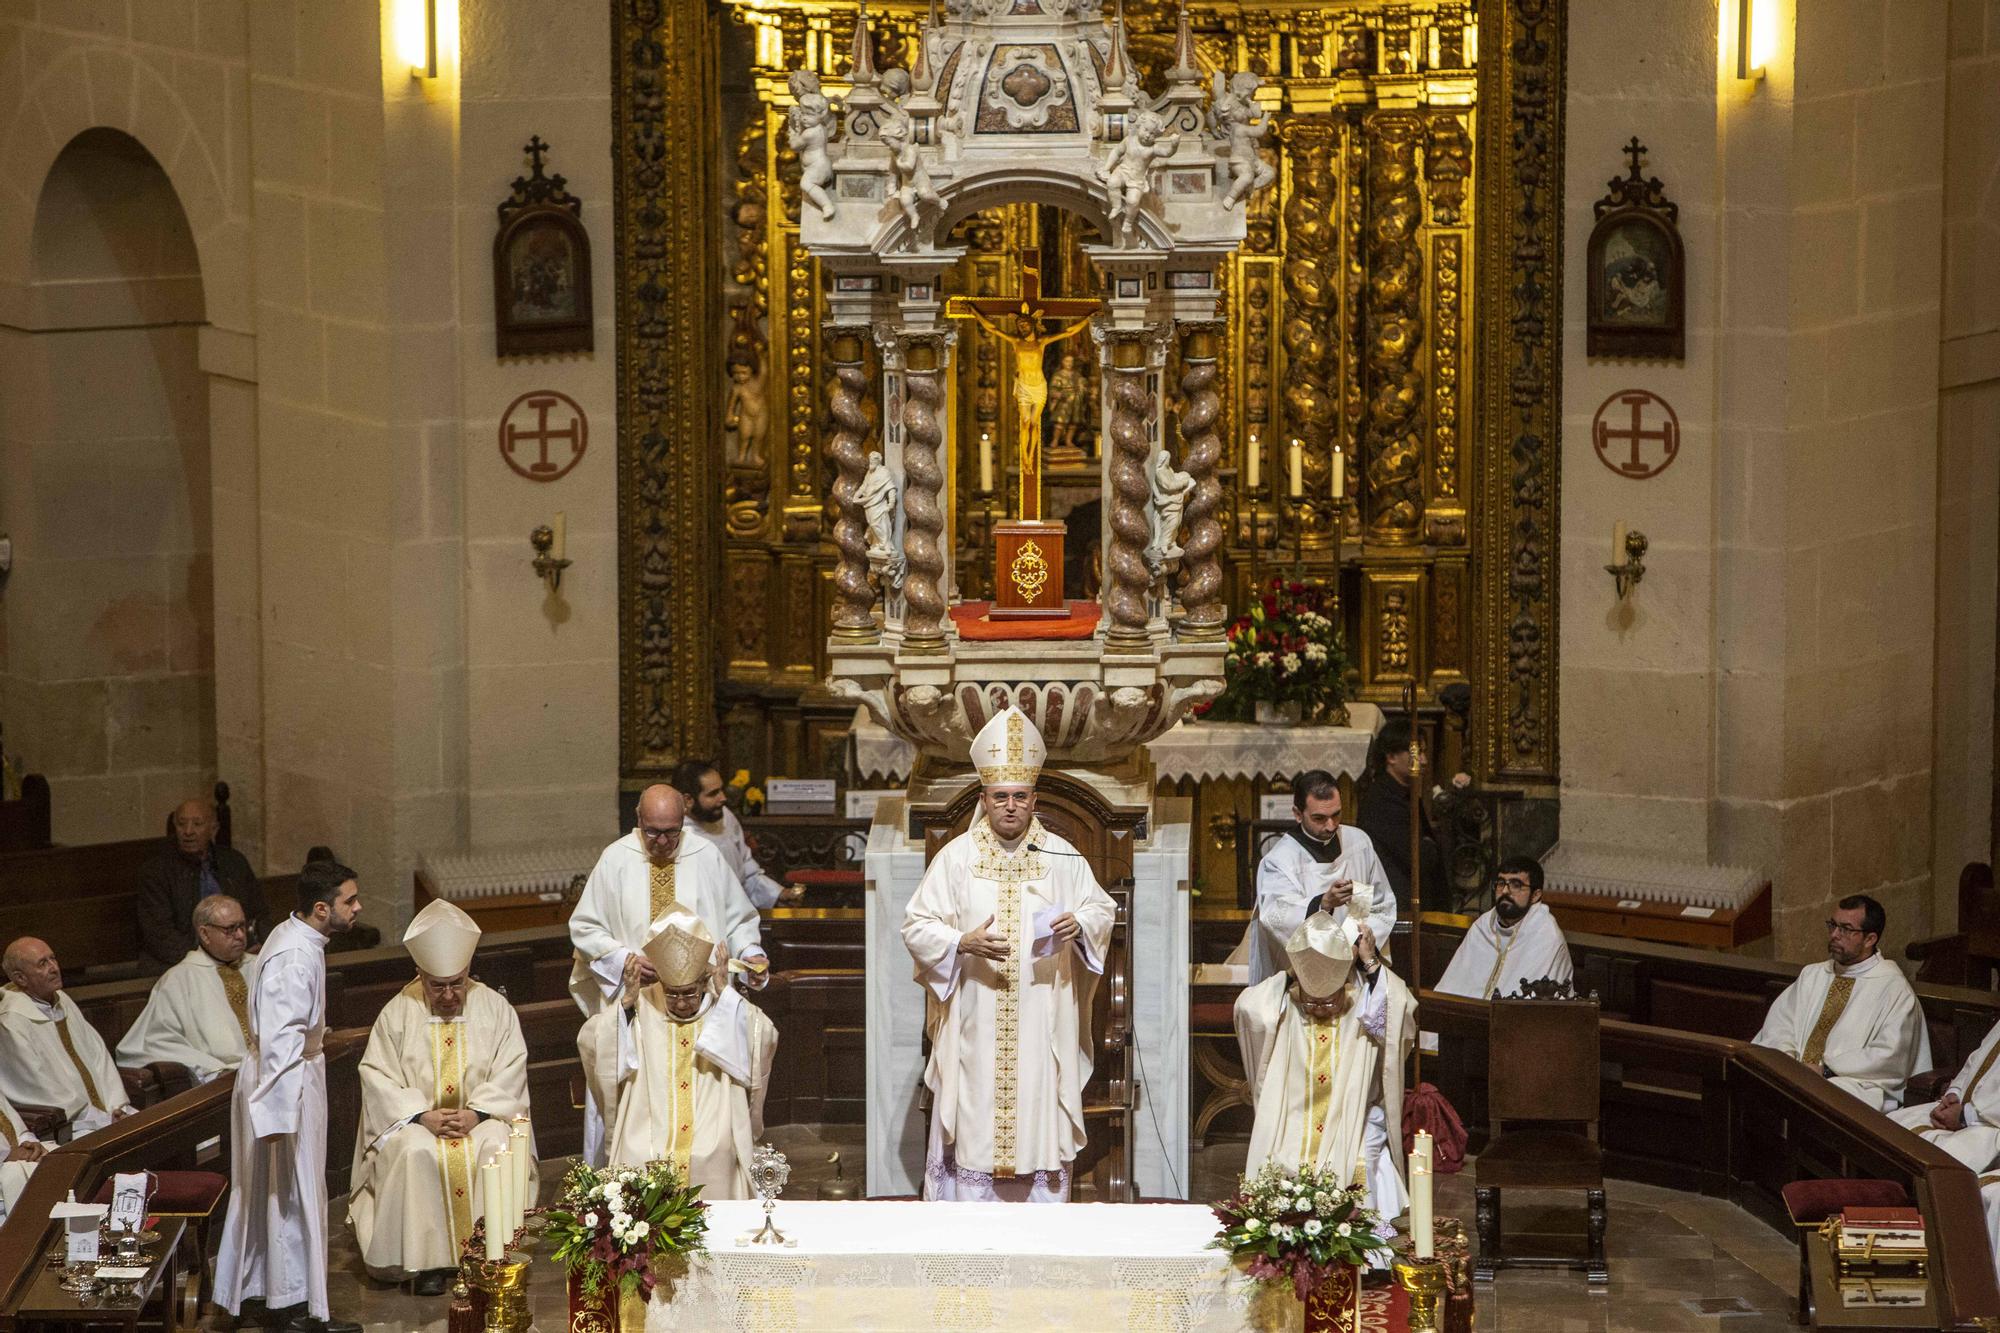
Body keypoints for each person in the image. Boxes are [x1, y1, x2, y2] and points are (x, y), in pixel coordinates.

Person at [902, 706, 1116, 1202]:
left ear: (1034, 800)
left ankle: (1040, 1215)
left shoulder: (1061, 855)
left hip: (1043, 1014)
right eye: (1001, 797)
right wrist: (960, 942)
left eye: (1020, 797)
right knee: (974, 1108)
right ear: (985, 799)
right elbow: (916, 924)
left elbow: (1100, 908)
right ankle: (968, 1216)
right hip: (974, 1013)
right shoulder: (956, 858)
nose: (1011, 807)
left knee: (1038, 1105)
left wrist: (1080, 923)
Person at [568, 784, 769, 1163]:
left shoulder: (705, 855)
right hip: (640, 1012)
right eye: (653, 832)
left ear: (683, 823)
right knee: (639, 1127)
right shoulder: (616, 860)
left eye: (671, 832)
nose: (662, 842)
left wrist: (752, 953)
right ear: (638, 822)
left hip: (701, 1012)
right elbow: (585, 928)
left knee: (708, 1128)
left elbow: (739, 917)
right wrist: (624, 959)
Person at [349, 899, 535, 1295]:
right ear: (420, 973)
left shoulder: (495, 1008)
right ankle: (426, 1263)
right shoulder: (397, 1012)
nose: (449, 995)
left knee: (498, 1144)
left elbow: (512, 1067)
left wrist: (479, 1112)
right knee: (413, 1152)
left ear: (468, 971)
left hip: (479, 1121)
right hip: (419, 1124)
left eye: (457, 983)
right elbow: (377, 1075)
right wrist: (419, 1116)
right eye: (438, 985)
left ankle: (491, 1257)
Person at [213, 859, 365, 1333]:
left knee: (280, 1194)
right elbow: (280, 1040)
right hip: (284, 1085)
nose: (358, 907)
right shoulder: (294, 956)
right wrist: (277, 1117)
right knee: (290, 1195)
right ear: (322, 909)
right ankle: (295, 1308)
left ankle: (271, 1293)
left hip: (292, 1075)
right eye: (349, 901)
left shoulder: (298, 937)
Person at [1236, 911, 1416, 1246]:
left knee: (1362, 1159)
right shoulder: (1283, 1003)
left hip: (1351, 1116)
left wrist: (1371, 961)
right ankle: (1281, 1242)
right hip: (1292, 1117)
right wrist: (1288, 978)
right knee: (1278, 1158)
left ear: (1344, 985)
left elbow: (1399, 1017)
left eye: (1328, 1001)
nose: (1319, 1008)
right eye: (1312, 1001)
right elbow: (1248, 1009)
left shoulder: (1363, 1006)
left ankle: (1367, 1252)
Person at [578, 912, 776, 1194]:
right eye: (672, 994)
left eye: (689, 994)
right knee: (638, 1152)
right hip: (647, 1122)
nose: (681, 1003)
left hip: (712, 1120)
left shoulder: (720, 1005)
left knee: (713, 1150)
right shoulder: (645, 1003)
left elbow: (763, 1034)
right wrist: (624, 1006)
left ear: (702, 982)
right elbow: (593, 1041)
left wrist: (726, 994)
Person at [1752, 895, 1929, 1111]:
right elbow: (1780, 1026)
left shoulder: (1894, 990)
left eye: (1845, 929)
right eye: (1833, 925)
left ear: (1870, 939)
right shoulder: (1813, 975)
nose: (1835, 935)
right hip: (1795, 1075)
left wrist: (1825, 1071)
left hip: (1855, 1085)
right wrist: (1789, 1064)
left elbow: (1888, 1056)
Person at [1245, 770, 1396, 985]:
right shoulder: (1279, 860)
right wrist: (1323, 904)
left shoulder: (1359, 842)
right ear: (1298, 813)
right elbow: (1275, 917)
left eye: (1336, 814)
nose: (1331, 826)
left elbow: (1381, 903)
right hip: (1303, 980)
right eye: (1319, 818)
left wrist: (1354, 948)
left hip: (1355, 970)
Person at [115, 894, 260, 1082]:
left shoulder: (262, 965)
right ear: (205, 934)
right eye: (230, 929)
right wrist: (213, 1069)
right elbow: (157, 1042)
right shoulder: (179, 980)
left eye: (242, 926)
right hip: (223, 1081)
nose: (241, 935)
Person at [0, 937, 136, 1134]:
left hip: (106, 1116)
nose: (54, 968)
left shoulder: (62, 999)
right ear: (20, 978)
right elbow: (38, 1088)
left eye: (53, 958)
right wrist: (100, 1119)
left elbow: (98, 1055)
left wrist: (116, 1107)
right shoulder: (11, 1021)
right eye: (42, 964)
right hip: (70, 1128)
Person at [134, 797, 271, 970]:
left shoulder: (234, 862)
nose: (188, 831)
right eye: (181, 824)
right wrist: (205, 961)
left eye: (197, 824)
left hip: (237, 956)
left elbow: (259, 913)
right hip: (180, 963)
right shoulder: (156, 871)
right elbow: (159, 934)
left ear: (213, 829)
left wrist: (256, 946)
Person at [1435, 857, 1573, 1000]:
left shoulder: (1546, 935)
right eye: (1501, 883)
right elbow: (1451, 988)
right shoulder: (1483, 926)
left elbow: (1539, 1009)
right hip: (1470, 1016)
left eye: (1516, 885)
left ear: (1536, 895)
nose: (1505, 891)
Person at [672, 760, 798, 910]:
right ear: (688, 800)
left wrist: (777, 894)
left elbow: (746, 871)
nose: (723, 798)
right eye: (713, 794)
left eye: (721, 790)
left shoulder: (724, 816)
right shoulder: (674, 837)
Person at [1351, 719, 1443, 913]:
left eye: (1424, 752)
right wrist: (1430, 846)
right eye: (1418, 753)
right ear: (1391, 756)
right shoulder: (1382, 800)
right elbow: (1419, 856)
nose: (1424, 761)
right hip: (1396, 906)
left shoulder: (1403, 793)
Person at [1890, 1017, 2000, 1171]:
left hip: (1990, 1125)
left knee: (1942, 1160)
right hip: (1964, 1108)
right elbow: (1973, 1063)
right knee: (1892, 1125)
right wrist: (1953, 1093)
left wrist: (1964, 1117)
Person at [0, 1093, 45, 1226]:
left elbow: (17, 1129)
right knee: (15, 1173)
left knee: (58, 1155)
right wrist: (6, 1153)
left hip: (13, 1153)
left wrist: (30, 1143)